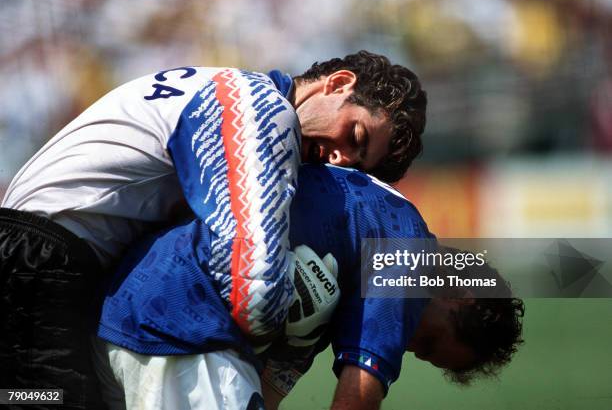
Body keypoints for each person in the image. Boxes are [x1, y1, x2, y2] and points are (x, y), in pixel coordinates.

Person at [0, 51, 427, 409]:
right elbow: (254, 286)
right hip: (44, 260)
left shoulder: (229, 87)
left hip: (38, 257)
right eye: (354, 135)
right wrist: (298, 318)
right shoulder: (265, 111)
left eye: (355, 163)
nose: (338, 160)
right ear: (338, 82)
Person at [93, 164, 525, 410]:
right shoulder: (406, 246)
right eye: (429, 340)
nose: (411, 348)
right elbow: (358, 398)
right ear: (459, 293)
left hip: (126, 317)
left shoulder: (330, 308)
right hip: (180, 329)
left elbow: (267, 391)